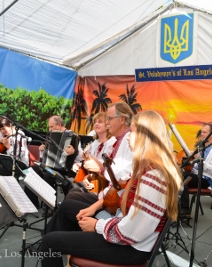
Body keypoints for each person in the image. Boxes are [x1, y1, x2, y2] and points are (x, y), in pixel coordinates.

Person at [39, 110, 182, 266]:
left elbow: (130, 232)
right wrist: (95, 212)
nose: (128, 137)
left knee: (49, 242)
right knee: (67, 207)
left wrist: (96, 226)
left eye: (132, 132)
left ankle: (57, 248)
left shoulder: (153, 176)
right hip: (127, 237)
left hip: (130, 249)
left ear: (145, 136)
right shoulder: (149, 168)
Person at [62, 102, 134, 207]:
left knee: (69, 201)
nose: (107, 122)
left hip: (112, 197)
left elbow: (124, 176)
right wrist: (89, 176)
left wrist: (99, 169)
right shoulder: (116, 140)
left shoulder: (129, 141)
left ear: (122, 120)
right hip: (106, 191)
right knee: (71, 195)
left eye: (109, 119)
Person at [71, 111, 116, 192]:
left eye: (100, 122)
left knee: (73, 190)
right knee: (71, 186)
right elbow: (88, 163)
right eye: (95, 122)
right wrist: (80, 165)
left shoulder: (113, 143)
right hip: (92, 179)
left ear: (108, 125)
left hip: (105, 184)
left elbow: (109, 167)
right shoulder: (94, 143)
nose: (96, 124)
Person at [180, 123, 212, 218]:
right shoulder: (201, 147)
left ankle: (185, 209)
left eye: (205, 132)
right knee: (175, 175)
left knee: (181, 176)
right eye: (201, 132)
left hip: (204, 179)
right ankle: (177, 209)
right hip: (194, 174)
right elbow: (195, 165)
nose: (202, 134)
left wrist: (199, 160)